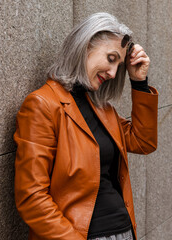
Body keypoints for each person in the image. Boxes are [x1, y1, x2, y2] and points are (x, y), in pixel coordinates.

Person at [14, 12, 158, 240]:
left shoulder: (102, 107)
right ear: (86, 46)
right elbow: (31, 197)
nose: (112, 73)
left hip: (125, 231)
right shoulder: (43, 104)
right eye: (111, 59)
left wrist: (139, 82)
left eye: (118, 65)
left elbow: (143, 141)